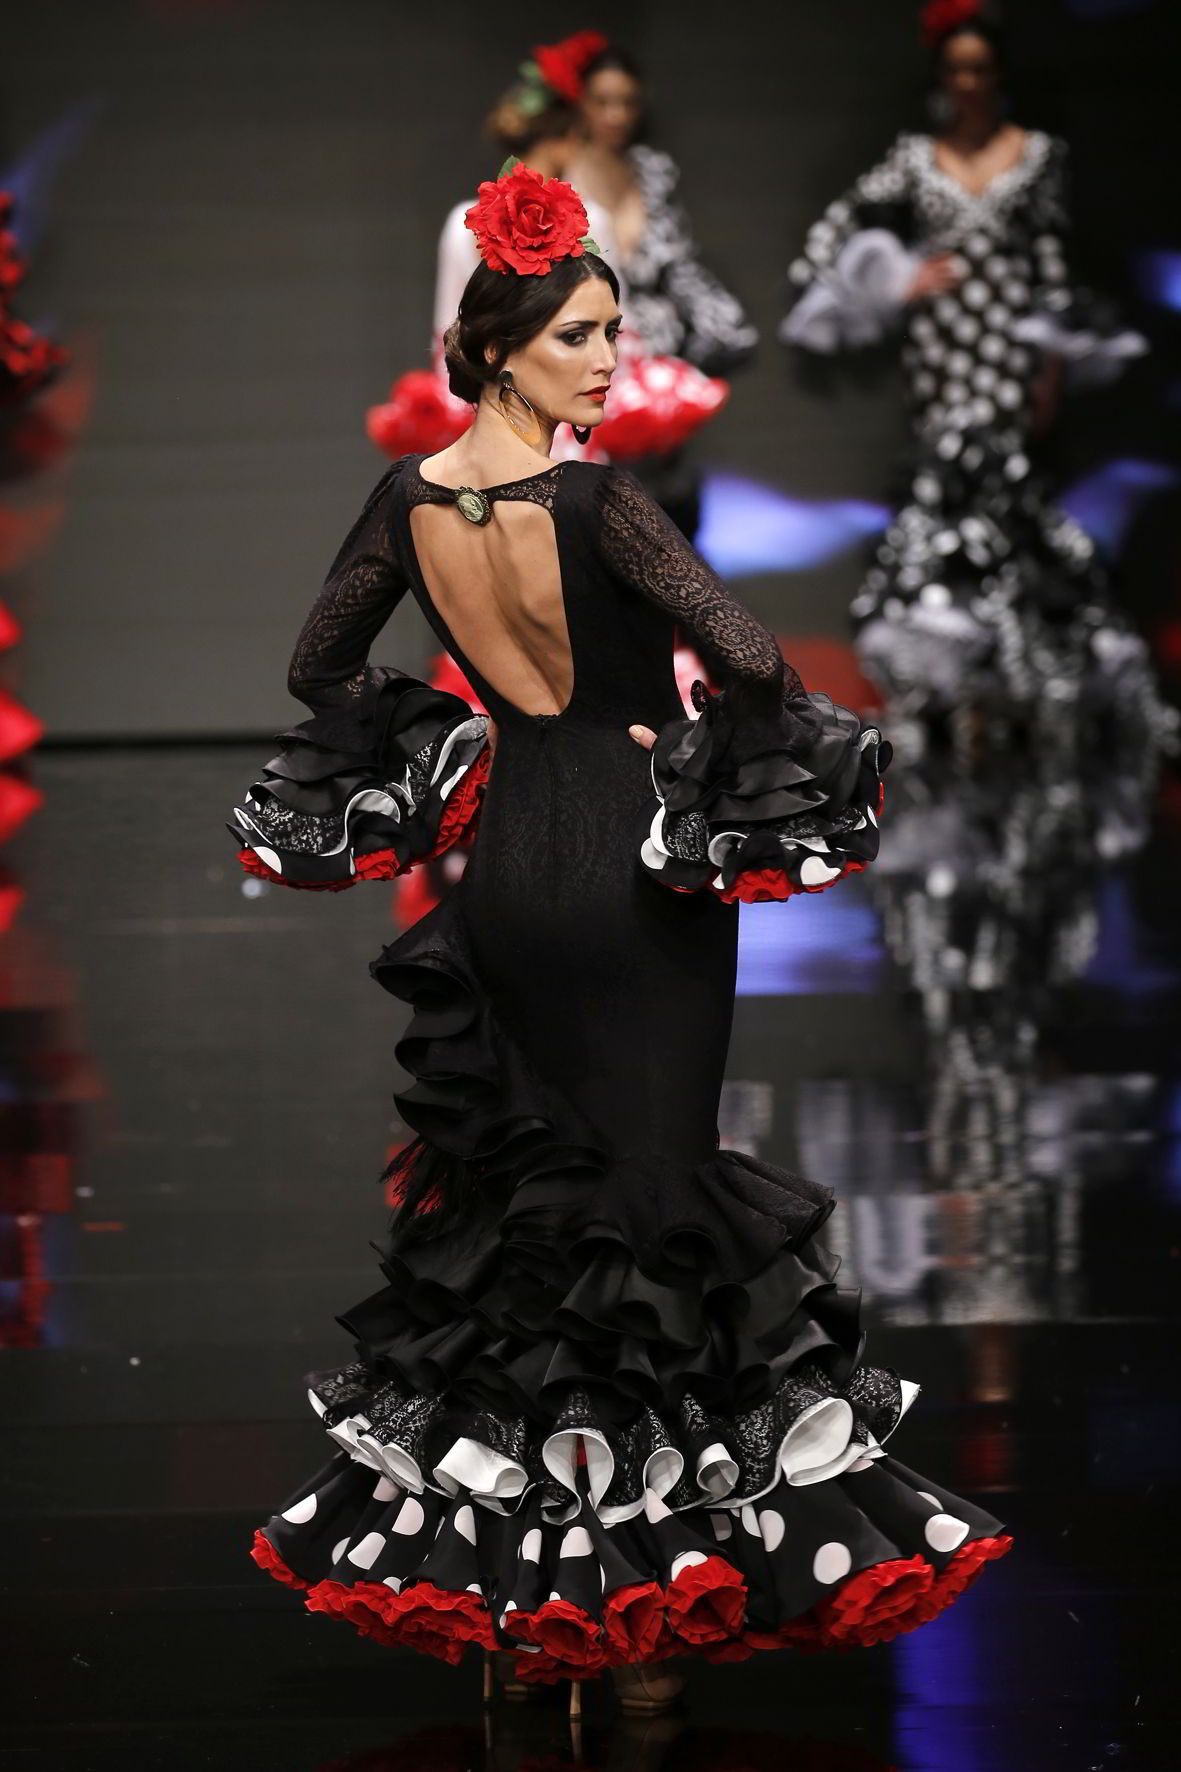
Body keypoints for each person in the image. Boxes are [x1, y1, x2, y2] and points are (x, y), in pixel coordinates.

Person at [231, 162, 1010, 1709]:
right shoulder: (598, 499)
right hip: (638, 873)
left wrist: (442, 739)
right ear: (501, 348)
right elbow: (750, 656)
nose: (607, 361)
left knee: (531, 1209)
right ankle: (642, 1602)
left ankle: (521, 1593)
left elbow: (319, 663)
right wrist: (701, 741)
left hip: (510, 871)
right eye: (578, 335)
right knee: (652, 1205)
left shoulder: (410, 498)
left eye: (611, 330)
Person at [781, 0, 1170, 762]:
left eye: (979, 68)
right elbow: (833, 231)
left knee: (1013, 506)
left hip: (1010, 346)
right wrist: (895, 281)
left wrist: (1052, 360)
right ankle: (941, 697)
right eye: (956, 68)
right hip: (941, 347)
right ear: (940, 74)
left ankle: (1024, 694)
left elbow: (1050, 262)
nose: (967, 82)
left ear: (997, 73)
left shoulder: (1036, 154)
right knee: (943, 505)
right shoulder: (915, 157)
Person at [563, 41, 757, 537]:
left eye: (627, 102)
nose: (616, 115)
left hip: (656, 361)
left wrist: (719, 327)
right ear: (580, 103)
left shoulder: (652, 172)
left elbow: (678, 260)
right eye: (603, 101)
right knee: (593, 499)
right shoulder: (559, 173)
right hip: (586, 356)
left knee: (665, 504)